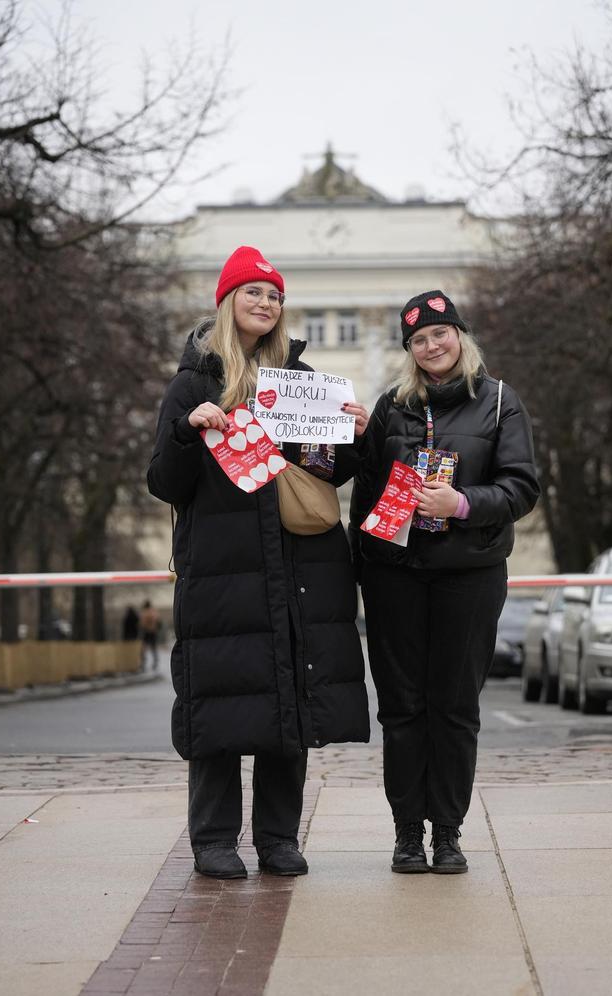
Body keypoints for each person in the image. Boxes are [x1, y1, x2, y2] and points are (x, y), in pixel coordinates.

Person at [147, 245, 370, 880]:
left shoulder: (299, 383)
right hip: (224, 571)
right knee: (218, 702)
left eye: (274, 295)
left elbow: (321, 473)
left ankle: (278, 839)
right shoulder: (192, 382)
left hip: (301, 565)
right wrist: (189, 429)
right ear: (227, 301)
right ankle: (214, 840)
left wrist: (353, 438)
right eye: (254, 293)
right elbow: (165, 481)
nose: (266, 304)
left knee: (290, 707)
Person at [350, 290, 539, 875]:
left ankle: (449, 833)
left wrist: (461, 503)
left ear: (460, 335)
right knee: (402, 708)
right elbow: (367, 488)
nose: (432, 346)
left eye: (440, 334)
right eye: (418, 340)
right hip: (396, 578)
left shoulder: (501, 403)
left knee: (454, 708)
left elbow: (521, 487)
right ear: (409, 351)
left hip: (469, 576)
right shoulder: (392, 405)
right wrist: (358, 437)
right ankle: (408, 832)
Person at [139, 600, 160, 670]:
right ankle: (155, 662)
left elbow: (142, 623)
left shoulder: (145, 613)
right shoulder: (154, 612)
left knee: (143, 649)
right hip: (153, 632)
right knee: (153, 648)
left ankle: (143, 663)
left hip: (147, 632)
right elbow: (157, 621)